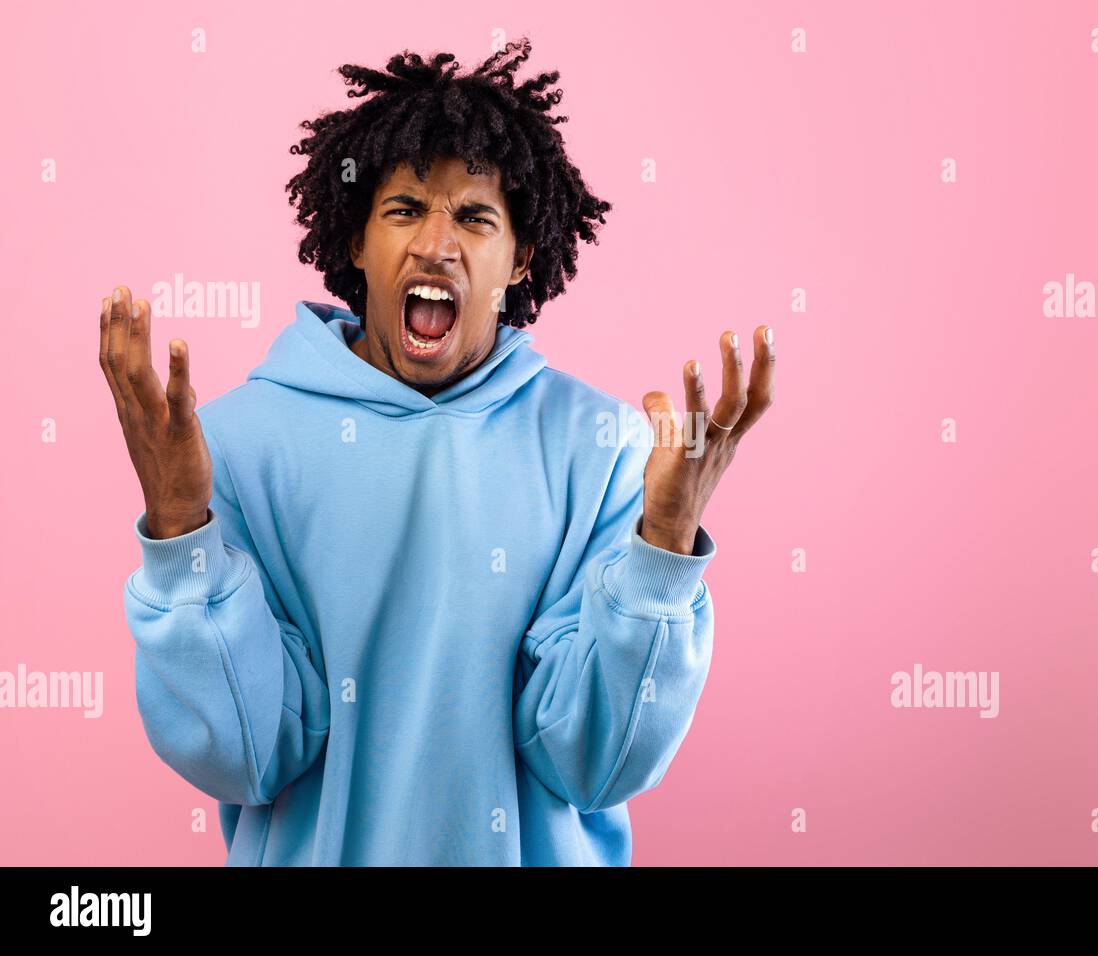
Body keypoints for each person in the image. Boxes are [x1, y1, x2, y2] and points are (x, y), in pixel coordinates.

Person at [98, 38, 774, 866]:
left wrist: (663, 547)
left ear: (519, 259)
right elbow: (244, 756)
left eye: (475, 216)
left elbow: (595, 764)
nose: (435, 244)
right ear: (356, 244)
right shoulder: (232, 447)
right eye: (405, 209)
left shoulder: (601, 449)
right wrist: (179, 527)